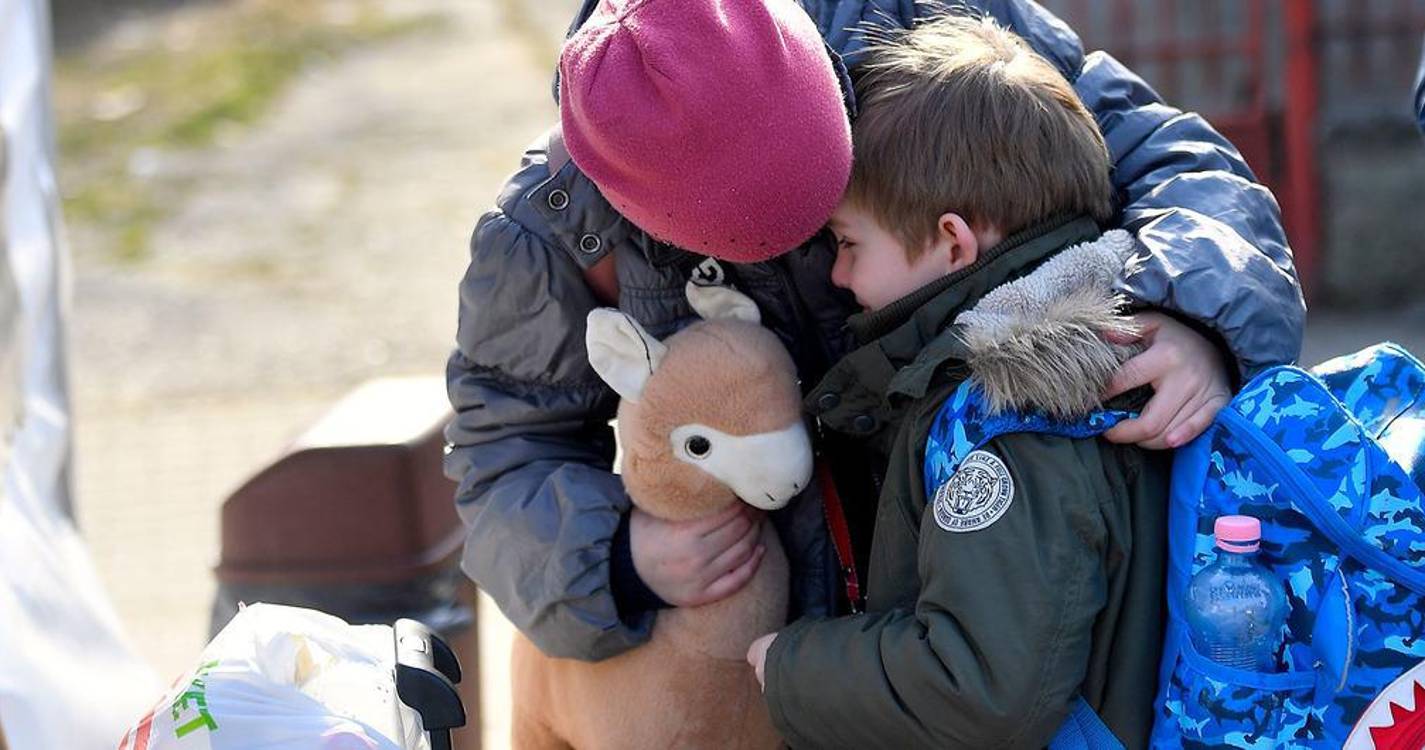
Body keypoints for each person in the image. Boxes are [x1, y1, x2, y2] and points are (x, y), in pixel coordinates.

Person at [445, 0, 1302, 665]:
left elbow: (1172, 160)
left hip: (1029, 609)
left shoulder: (930, 31)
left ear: (819, 80)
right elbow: (501, 452)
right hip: (780, 660)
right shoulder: (553, 226)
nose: (833, 270)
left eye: (831, 222)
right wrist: (617, 558)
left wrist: (1191, 315)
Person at [746, 16, 1173, 747]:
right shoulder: (1056, 359)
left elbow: (983, 687)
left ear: (953, 241)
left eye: (848, 244)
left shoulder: (1011, 414)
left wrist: (788, 665)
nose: (839, 275)